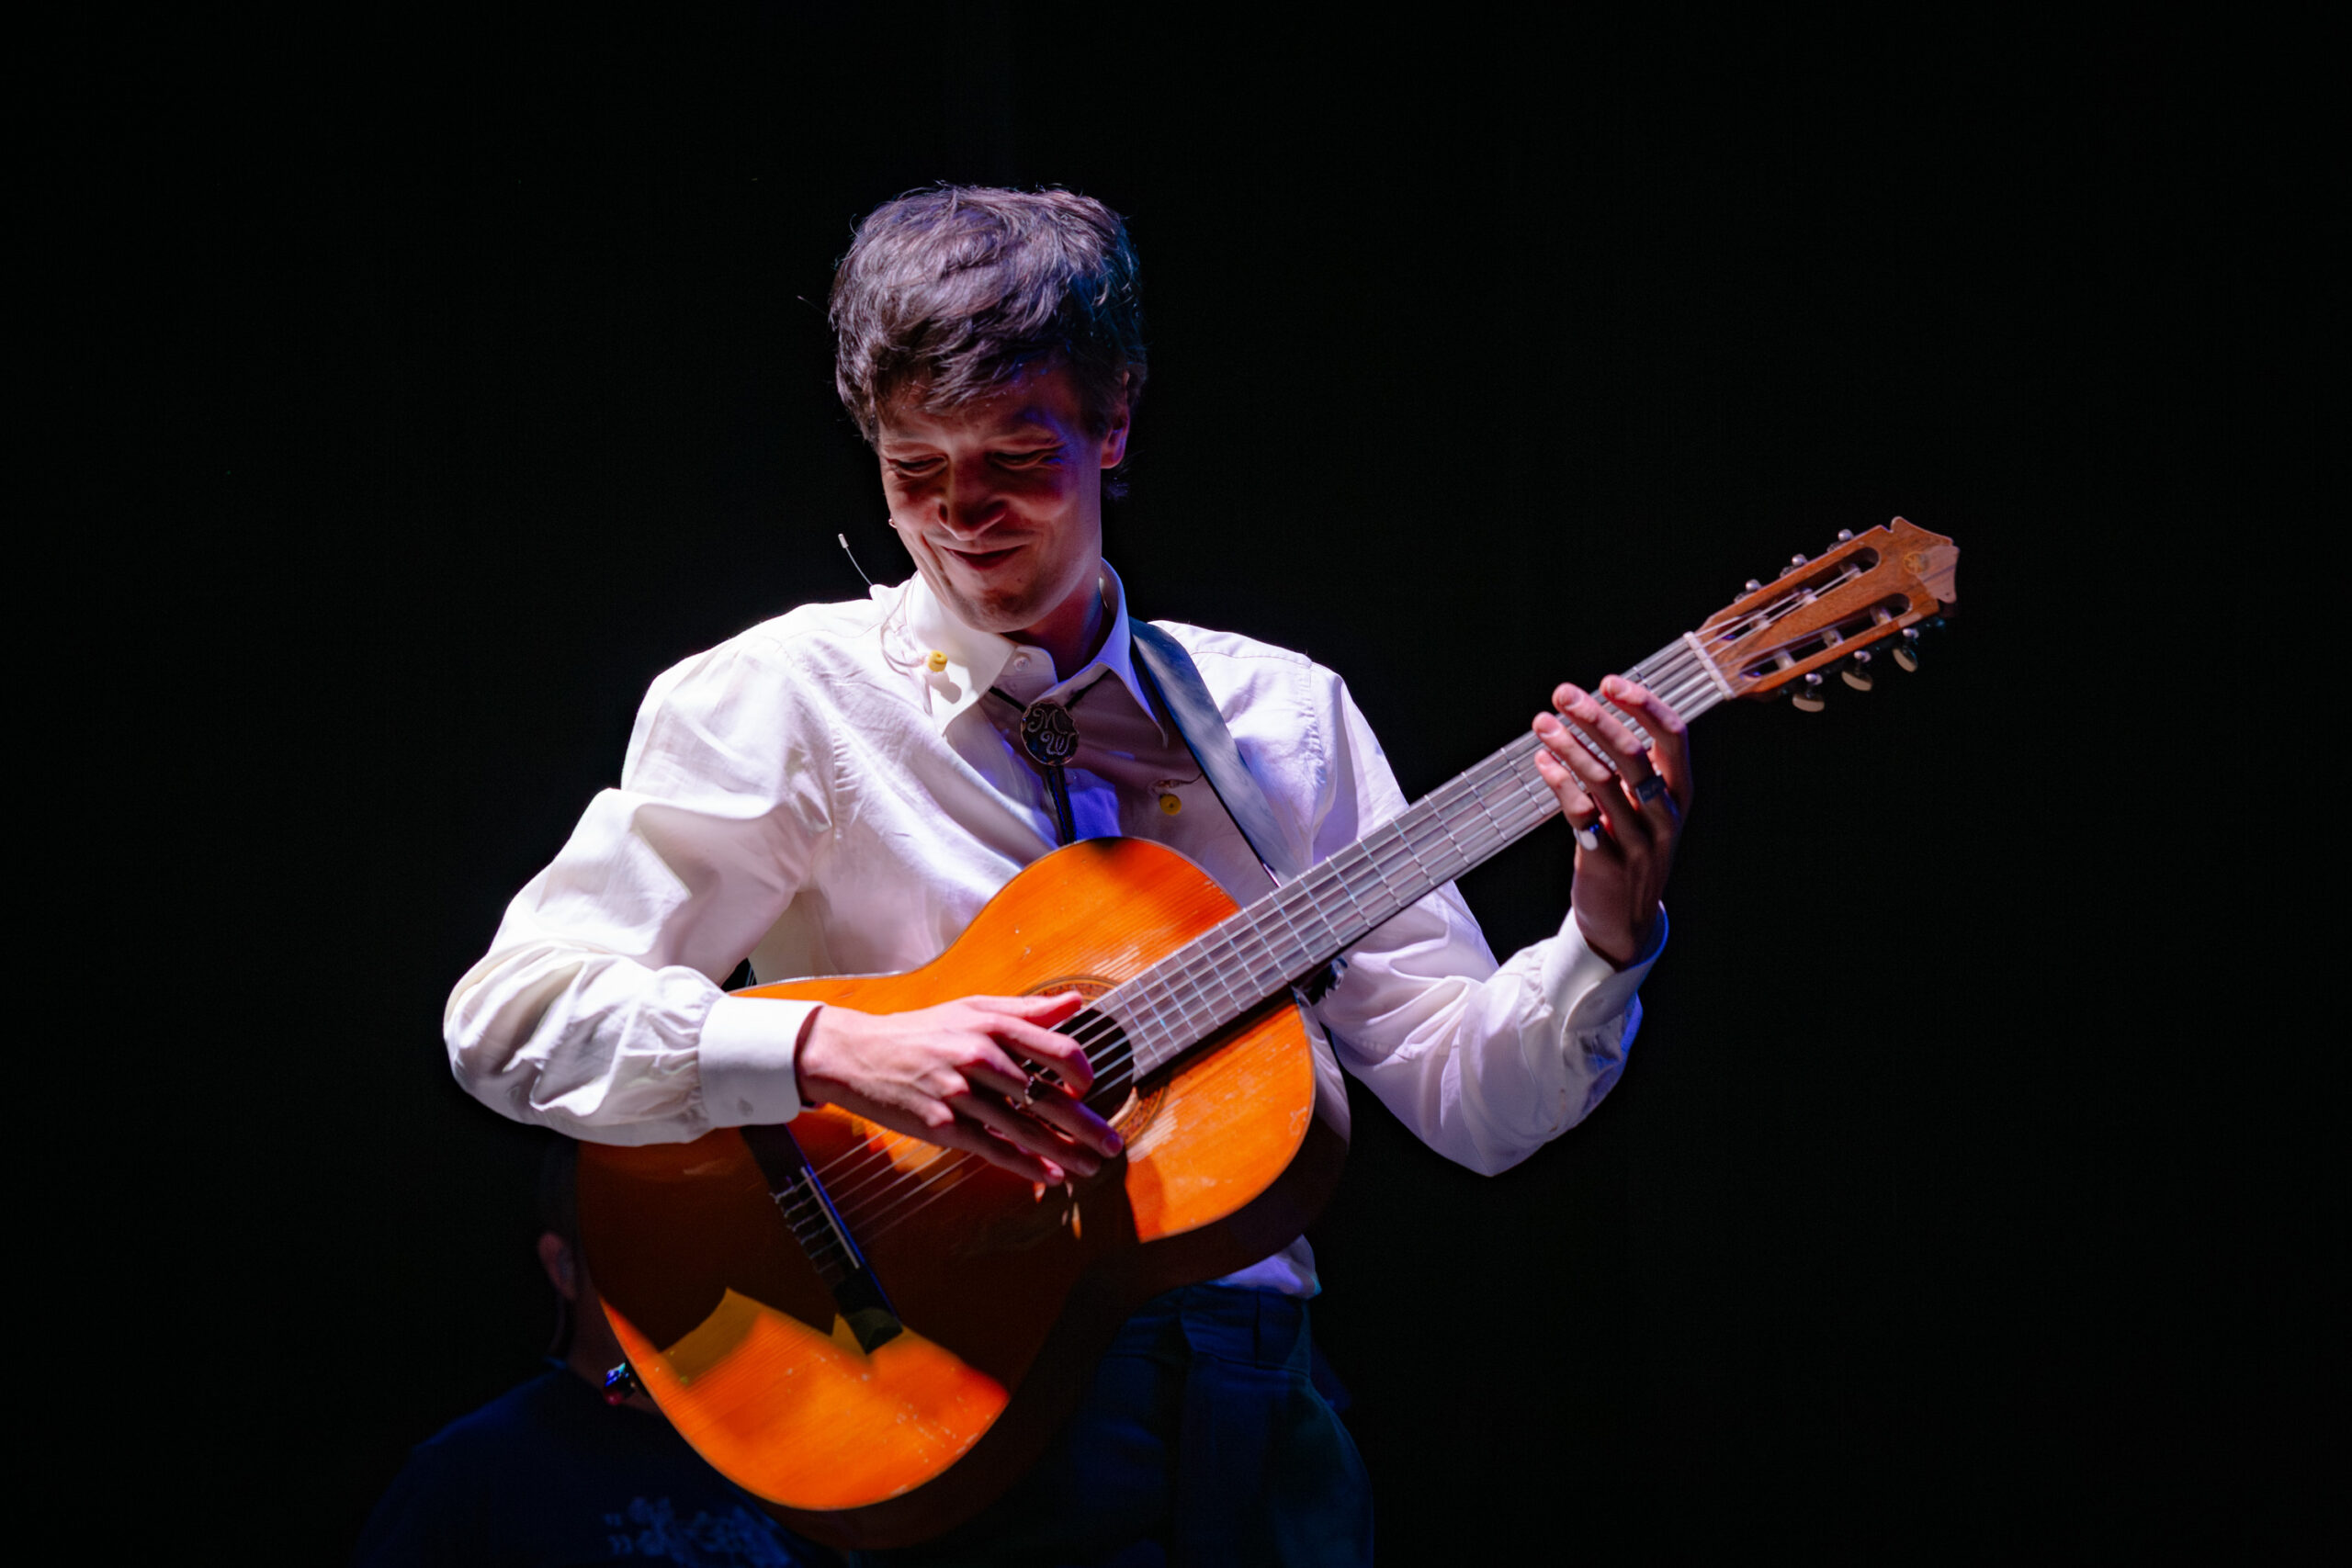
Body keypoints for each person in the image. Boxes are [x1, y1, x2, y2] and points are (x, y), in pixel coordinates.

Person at [446, 186, 1690, 1565]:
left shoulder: (1279, 719)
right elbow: (507, 1022)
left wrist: (1604, 932)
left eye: (1015, 457)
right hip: (957, 1399)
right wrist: (837, 1049)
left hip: (1262, 1409)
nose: (959, 513)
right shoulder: (782, 699)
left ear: (1116, 421)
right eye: (913, 466)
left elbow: (1475, 1105)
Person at [354, 1141, 842, 1566]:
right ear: (565, 1266)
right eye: (646, 1249)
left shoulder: (787, 1471)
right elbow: (615, 1387)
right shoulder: (471, 1472)